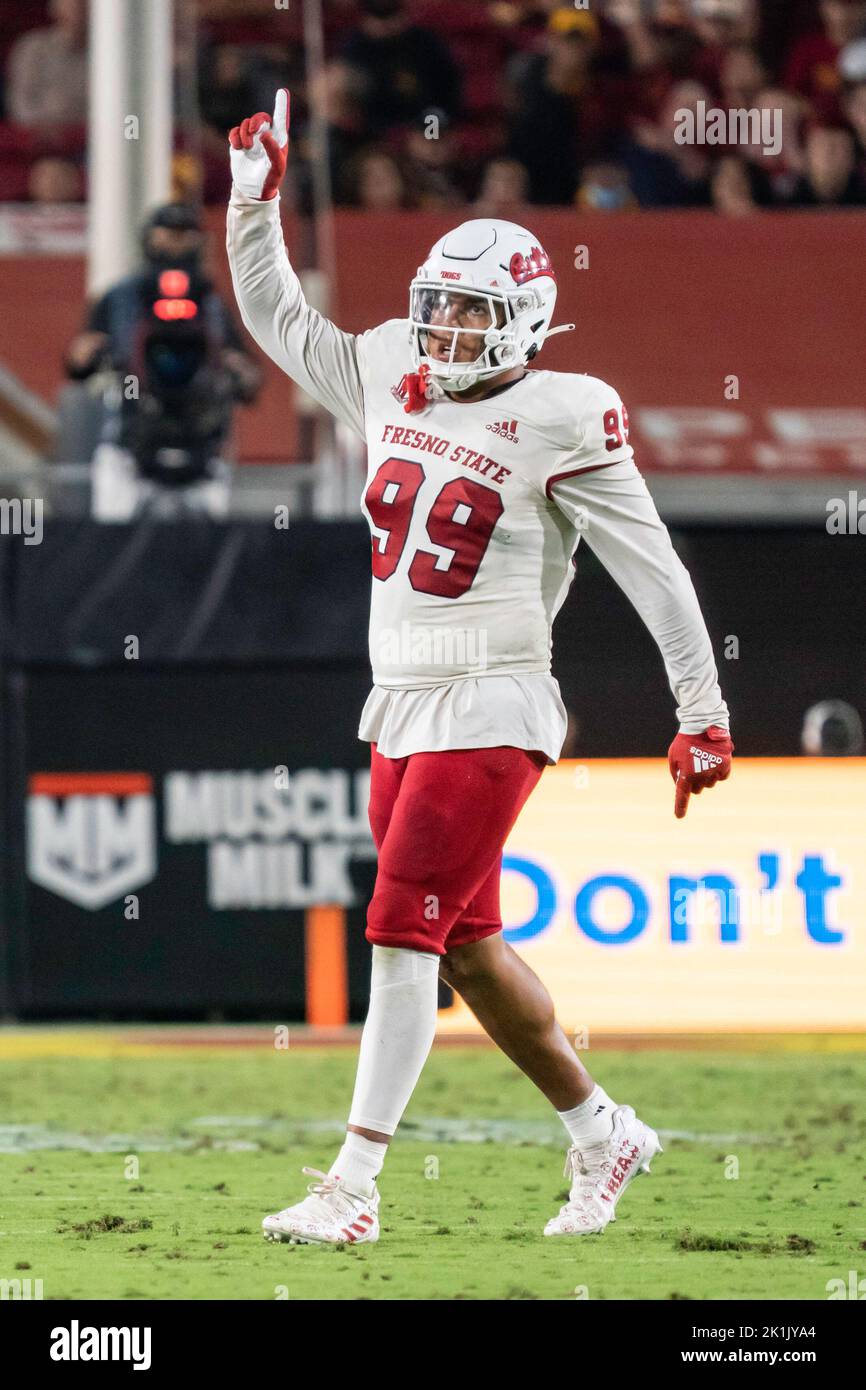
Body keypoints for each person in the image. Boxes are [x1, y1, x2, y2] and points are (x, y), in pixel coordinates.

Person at [227, 90, 733, 1245]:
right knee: (463, 943)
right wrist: (254, 206)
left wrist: (699, 708)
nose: (445, 333)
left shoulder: (567, 411)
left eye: (469, 316)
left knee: (400, 923)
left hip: (496, 694)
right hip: (397, 700)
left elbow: (651, 569)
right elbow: (283, 324)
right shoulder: (395, 363)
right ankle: (605, 1133)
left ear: (524, 322)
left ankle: (351, 1188)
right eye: (437, 310)